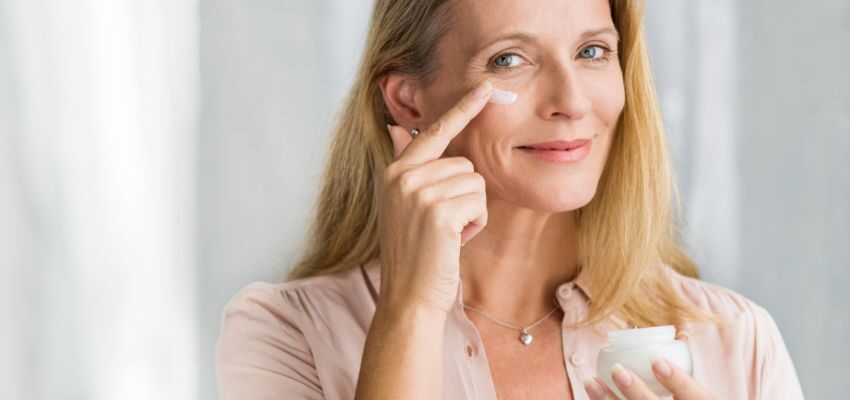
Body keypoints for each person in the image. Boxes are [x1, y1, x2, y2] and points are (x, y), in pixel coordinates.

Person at [215, 0, 805, 399]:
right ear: (407, 99)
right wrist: (412, 311)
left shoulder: (737, 339)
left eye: (593, 51)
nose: (571, 101)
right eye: (510, 60)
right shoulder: (287, 333)